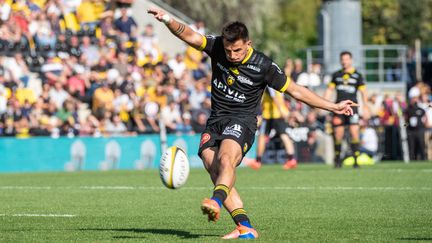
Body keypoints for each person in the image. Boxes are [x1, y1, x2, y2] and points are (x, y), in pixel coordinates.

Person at [148, 8, 357, 239]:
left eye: (237, 50)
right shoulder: (217, 47)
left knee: (226, 159)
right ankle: (245, 226)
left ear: (248, 43)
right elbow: (190, 35)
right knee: (213, 167)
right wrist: (167, 19)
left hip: (242, 121)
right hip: (215, 120)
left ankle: (216, 201)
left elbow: (297, 91)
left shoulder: (263, 66)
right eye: (228, 50)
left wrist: (333, 106)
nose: (232, 55)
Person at [324, 51, 369, 168]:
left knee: (354, 132)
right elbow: (329, 90)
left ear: (351, 60)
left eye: (346, 59)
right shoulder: (336, 75)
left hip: (353, 108)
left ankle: (356, 160)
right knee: (338, 133)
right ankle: (337, 159)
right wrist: (323, 103)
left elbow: (363, 92)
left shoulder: (358, 75)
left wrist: (366, 107)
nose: (344, 62)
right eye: (342, 59)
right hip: (339, 108)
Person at [244, 87, 297, 170]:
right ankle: (291, 159)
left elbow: (274, 97)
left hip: (271, 115)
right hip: (278, 114)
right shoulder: (277, 82)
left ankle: (258, 161)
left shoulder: (270, 85)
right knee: (284, 135)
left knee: (262, 136)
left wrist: (281, 111)